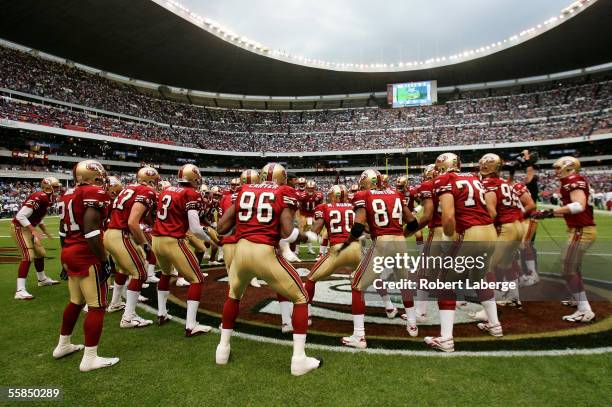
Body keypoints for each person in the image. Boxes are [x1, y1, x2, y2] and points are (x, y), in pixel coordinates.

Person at [215, 163, 321, 376]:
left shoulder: (245, 190)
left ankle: (222, 350)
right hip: (264, 251)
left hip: (241, 251)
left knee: (234, 296)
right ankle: (299, 360)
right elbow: (286, 232)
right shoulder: (283, 191)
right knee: (301, 297)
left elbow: (221, 229)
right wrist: (306, 236)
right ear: (284, 178)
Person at [339, 169, 420, 349]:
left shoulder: (364, 195)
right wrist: (400, 235)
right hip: (399, 241)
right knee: (404, 282)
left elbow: (359, 226)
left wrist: (348, 241)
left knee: (357, 286)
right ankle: (412, 325)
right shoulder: (396, 194)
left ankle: (359, 336)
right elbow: (413, 222)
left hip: (382, 243)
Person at [426, 153, 498, 352]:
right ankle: (495, 325)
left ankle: (446, 339)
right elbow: (492, 212)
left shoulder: (444, 179)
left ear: (441, 166)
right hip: (490, 231)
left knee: (445, 283)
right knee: (479, 279)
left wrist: (449, 239)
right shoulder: (474, 178)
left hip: (469, 234)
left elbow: (448, 217)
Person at [53, 160, 119, 372]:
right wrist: (102, 259)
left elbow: (63, 232)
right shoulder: (93, 193)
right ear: (92, 177)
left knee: (75, 301)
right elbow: (91, 231)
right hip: (86, 253)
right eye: (100, 177)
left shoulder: (68, 194)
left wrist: (65, 258)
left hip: (70, 249)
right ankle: (90, 357)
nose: (103, 181)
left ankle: (63, 345)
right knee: (97, 305)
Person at [532, 156, 597, 322]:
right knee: (573, 267)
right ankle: (579, 300)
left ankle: (584, 309)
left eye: (558, 168)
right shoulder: (574, 180)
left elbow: (578, 205)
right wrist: (548, 215)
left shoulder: (572, 180)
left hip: (581, 231)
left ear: (568, 168)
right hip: (579, 230)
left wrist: (550, 212)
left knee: (567, 268)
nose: (555, 171)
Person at [152, 164, 212, 336]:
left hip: (157, 239)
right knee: (197, 278)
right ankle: (191, 325)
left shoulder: (167, 190)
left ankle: (162, 313)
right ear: (194, 178)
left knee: (165, 273)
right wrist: (209, 240)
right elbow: (195, 228)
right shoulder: (191, 193)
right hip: (173, 240)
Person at [104, 167, 160, 328]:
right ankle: (129, 317)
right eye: (155, 181)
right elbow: (132, 222)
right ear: (151, 181)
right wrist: (146, 245)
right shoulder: (147, 192)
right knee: (140, 272)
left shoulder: (128, 188)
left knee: (123, 270)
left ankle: (115, 303)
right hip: (120, 234)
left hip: (110, 233)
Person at [12, 177, 61, 300]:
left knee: (40, 253)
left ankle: (42, 279)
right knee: (28, 256)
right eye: (55, 187)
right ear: (48, 187)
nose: (58, 189)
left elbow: (38, 215)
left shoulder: (48, 198)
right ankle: (20, 290)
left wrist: (44, 230)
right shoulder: (39, 196)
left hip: (29, 227)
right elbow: (20, 216)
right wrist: (33, 230)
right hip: (19, 227)